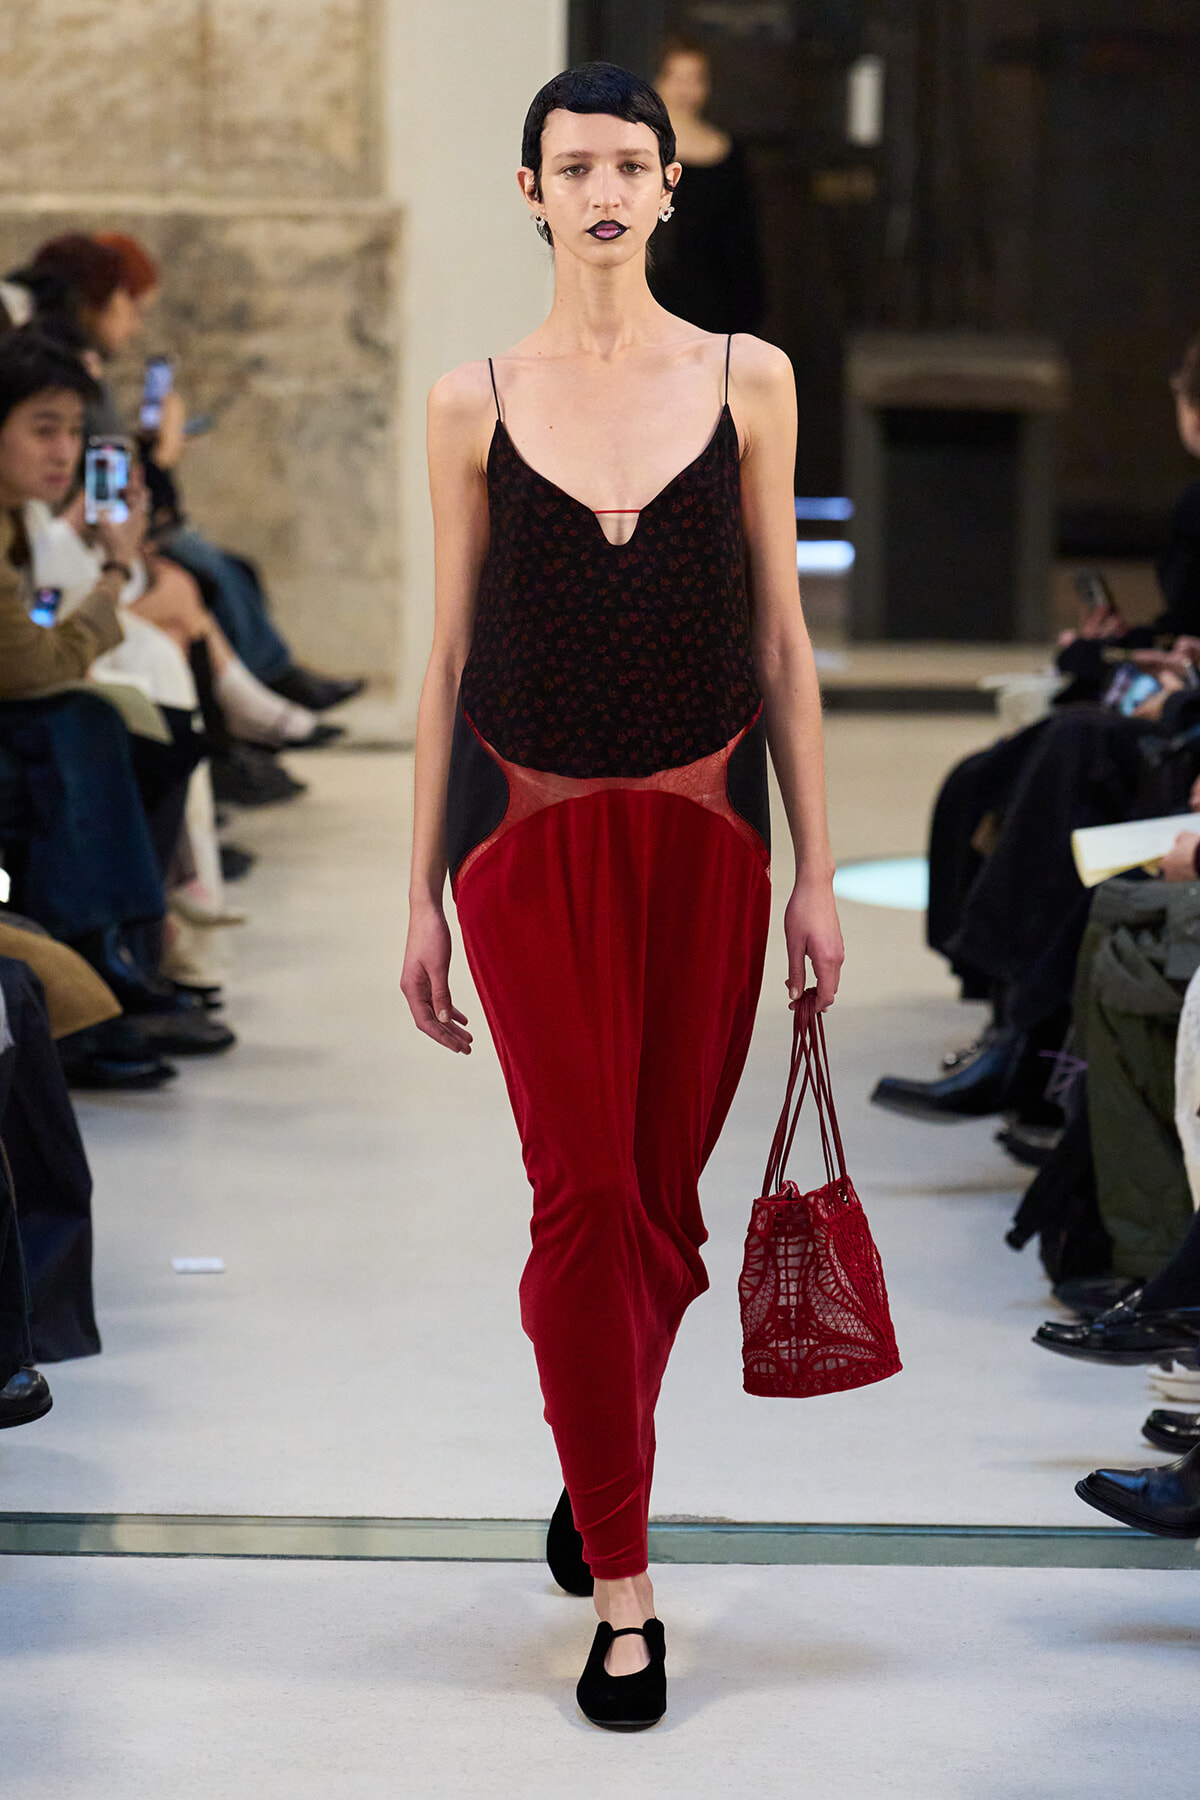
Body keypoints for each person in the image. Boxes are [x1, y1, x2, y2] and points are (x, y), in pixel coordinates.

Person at [400, 61, 842, 1730]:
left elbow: (786, 643)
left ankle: (597, 1470)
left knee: (658, 1213)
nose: (600, 189)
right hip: (520, 839)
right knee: (582, 1190)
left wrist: (814, 872)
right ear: (529, 190)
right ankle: (630, 1594)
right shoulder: (468, 398)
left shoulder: (749, 380)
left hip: (710, 839)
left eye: (628, 165)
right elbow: (445, 654)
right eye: (572, 164)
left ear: (667, 191)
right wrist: (417, 896)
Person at [648, 36, 765, 335]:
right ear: (659, 81)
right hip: (651, 299)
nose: (686, 90)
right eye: (677, 78)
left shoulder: (729, 152)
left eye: (696, 79)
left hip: (715, 303)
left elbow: (743, 241)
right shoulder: (637, 151)